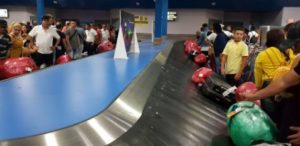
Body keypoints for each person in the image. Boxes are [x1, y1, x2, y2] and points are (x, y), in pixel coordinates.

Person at [243, 21, 300, 145]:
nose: (292, 48)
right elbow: (283, 82)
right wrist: (253, 96)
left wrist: (257, 90)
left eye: (295, 44)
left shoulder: (264, 55)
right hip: (292, 118)